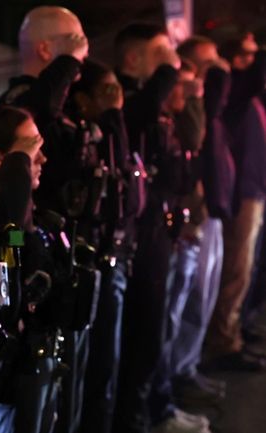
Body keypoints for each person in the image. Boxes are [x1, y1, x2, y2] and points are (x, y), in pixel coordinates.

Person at [111, 23, 211, 433]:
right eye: (162, 56)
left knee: (153, 337)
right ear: (134, 59)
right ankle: (138, 419)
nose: (171, 64)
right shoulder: (126, 101)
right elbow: (143, 109)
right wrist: (172, 69)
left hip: (158, 233)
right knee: (140, 340)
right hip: (136, 239)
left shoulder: (157, 107)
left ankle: (155, 411)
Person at [0, 8, 95, 433]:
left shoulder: (63, 102)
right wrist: (68, 64)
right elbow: (40, 113)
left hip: (58, 251)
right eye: (75, 42)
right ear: (46, 49)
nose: (84, 54)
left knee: (67, 393)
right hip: (26, 260)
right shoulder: (20, 106)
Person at [0, 105, 56, 433]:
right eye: (32, 148)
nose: (42, 159)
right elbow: (5, 225)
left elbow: (15, 240)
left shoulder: (14, 218)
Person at [66, 59, 137, 433]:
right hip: (87, 265)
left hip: (113, 256)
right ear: (81, 99)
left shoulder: (110, 133)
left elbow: (125, 190)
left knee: (108, 361)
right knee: (90, 370)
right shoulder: (76, 138)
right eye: (106, 91)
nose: (117, 99)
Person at [172, 35, 233, 401]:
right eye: (207, 64)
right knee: (187, 303)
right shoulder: (188, 99)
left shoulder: (205, 98)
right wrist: (194, 94)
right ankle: (178, 376)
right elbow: (195, 136)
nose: (215, 72)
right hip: (190, 215)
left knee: (203, 299)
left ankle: (187, 368)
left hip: (208, 206)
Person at [206, 32, 266, 371]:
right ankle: (224, 343)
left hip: (252, 190)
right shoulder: (237, 92)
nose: (253, 57)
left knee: (243, 272)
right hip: (243, 193)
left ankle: (234, 332)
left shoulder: (247, 96)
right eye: (247, 52)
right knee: (235, 272)